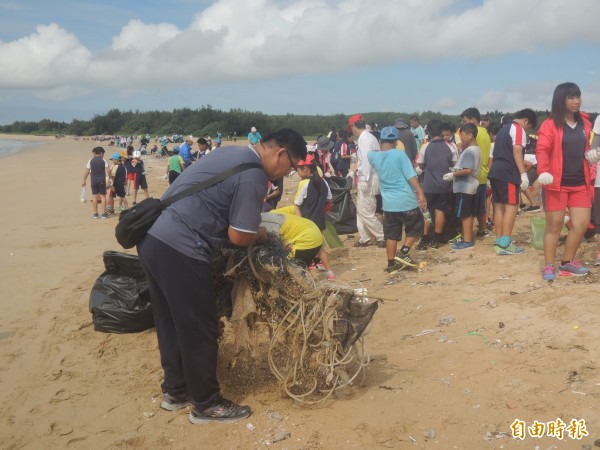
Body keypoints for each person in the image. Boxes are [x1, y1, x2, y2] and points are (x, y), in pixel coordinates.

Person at [137, 128, 306, 424]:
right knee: (198, 326)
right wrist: (263, 235)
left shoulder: (232, 151)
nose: (287, 173)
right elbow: (240, 236)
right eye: (291, 167)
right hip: (182, 248)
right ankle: (206, 404)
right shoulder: (254, 173)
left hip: (153, 239)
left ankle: (175, 391)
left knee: (169, 321)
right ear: (281, 153)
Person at [536, 82, 597, 280]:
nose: (576, 101)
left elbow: (589, 145)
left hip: (580, 183)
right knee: (554, 227)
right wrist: (543, 171)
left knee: (581, 224)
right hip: (557, 184)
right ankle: (548, 265)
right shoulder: (550, 124)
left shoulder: (585, 124)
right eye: (571, 97)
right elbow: (542, 149)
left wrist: (591, 154)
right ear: (560, 100)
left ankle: (567, 262)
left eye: (578, 97)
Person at [368, 126, 426, 272]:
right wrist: (420, 193)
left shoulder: (373, 156)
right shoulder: (400, 155)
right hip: (405, 200)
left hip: (388, 204)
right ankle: (404, 252)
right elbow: (411, 176)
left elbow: (370, 152)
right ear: (396, 141)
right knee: (417, 225)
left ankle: (391, 264)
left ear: (381, 140)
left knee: (391, 234)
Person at [487, 109, 538, 255]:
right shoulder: (518, 129)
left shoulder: (503, 130)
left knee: (498, 207)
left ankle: (499, 241)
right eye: (529, 127)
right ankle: (505, 243)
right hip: (508, 172)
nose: (527, 130)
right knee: (511, 207)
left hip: (496, 171)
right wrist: (523, 174)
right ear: (526, 121)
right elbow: (517, 151)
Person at [291, 154, 335, 280]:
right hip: (319, 219)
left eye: (298, 169)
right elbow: (329, 199)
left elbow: (297, 204)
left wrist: (299, 222)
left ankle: (310, 274)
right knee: (319, 246)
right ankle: (329, 272)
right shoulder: (323, 182)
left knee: (307, 248)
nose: (297, 172)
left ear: (306, 169)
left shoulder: (304, 184)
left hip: (307, 221)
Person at [415, 119, 457, 249]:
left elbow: (420, 165)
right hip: (445, 185)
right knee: (440, 211)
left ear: (429, 132)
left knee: (427, 212)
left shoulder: (425, 146)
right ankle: (437, 239)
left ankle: (425, 238)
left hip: (429, 185)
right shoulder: (451, 146)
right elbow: (456, 165)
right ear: (441, 131)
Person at [348, 114, 385, 248]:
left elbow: (368, 161)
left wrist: (364, 180)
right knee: (361, 209)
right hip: (369, 176)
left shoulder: (365, 139)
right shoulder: (369, 137)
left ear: (353, 126)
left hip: (368, 178)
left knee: (366, 211)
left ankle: (381, 236)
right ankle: (364, 237)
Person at [443, 123, 482, 250]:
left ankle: (467, 240)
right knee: (468, 214)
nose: (461, 138)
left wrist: (453, 174)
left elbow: (468, 170)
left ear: (470, 135)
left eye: (463, 135)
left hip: (465, 187)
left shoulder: (470, 151)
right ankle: (467, 238)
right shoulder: (476, 149)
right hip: (470, 186)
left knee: (465, 214)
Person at [461, 107, 492, 238]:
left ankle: (465, 235)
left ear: (473, 120)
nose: (463, 124)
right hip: (484, 173)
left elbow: (465, 148)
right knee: (481, 205)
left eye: (465, 121)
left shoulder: (474, 133)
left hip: (473, 174)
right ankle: (483, 228)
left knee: (467, 209)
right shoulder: (485, 132)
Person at [81, 146, 111, 219]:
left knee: (94, 196)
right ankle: (103, 214)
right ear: (101, 153)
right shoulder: (103, 160)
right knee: (103, 196)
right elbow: (108, 170)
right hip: (101, 180)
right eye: (103, 154)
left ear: (95, 153)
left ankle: (95, 214)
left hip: (93, 180)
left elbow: (87, 171)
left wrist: (84, 180)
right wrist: (109, 178)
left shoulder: (90, 160)